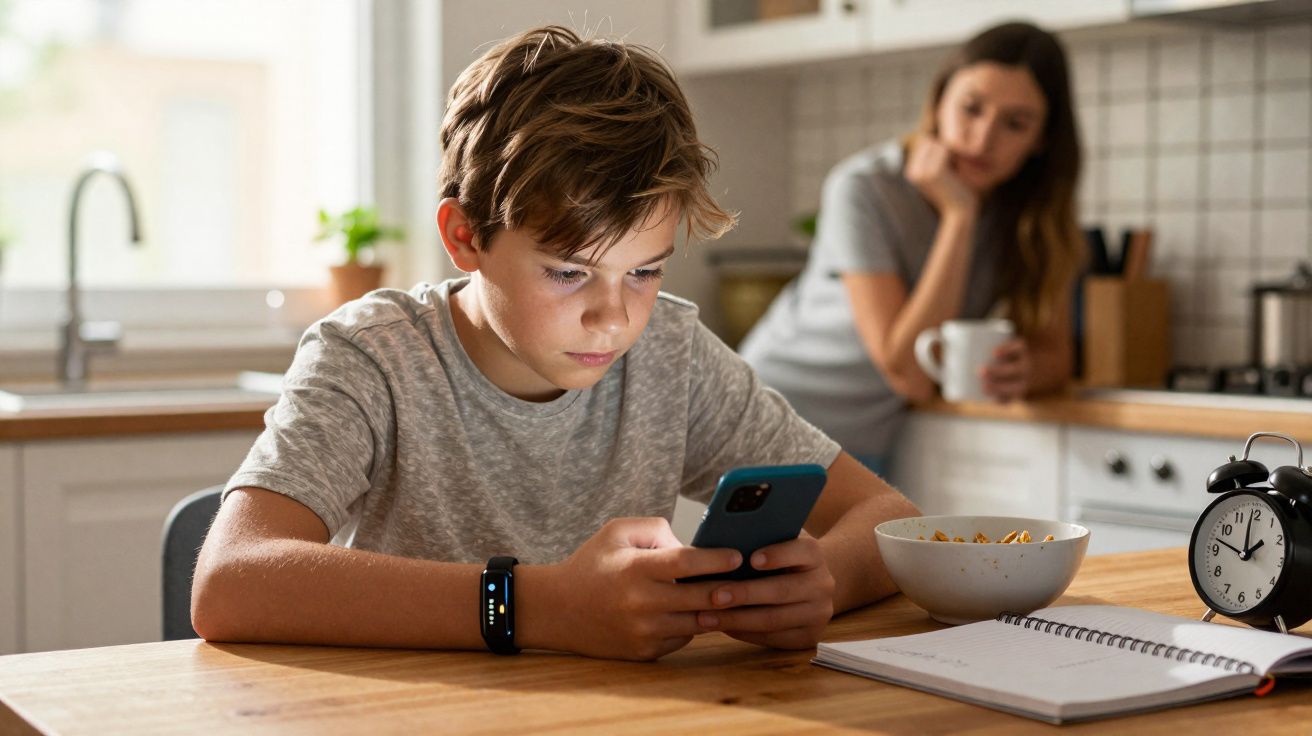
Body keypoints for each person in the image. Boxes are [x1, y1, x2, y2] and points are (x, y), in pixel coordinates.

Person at [190, 26, 919, 662]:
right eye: (569, 273)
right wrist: (540, 608)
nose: (613, 318)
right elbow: (230, 581)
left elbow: (890, 519)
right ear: (465, 237)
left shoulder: (671, 354)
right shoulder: (372, 357)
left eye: (644, 272)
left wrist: (823, 580)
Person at [739, 22, 1084, 475]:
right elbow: (910, 374)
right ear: (939, 102)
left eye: (1015, 123)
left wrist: (1025, 371)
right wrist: (959, 217)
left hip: (864, 444)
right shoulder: (863, 187)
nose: (982, 139)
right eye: (971, 109)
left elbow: (1057, 356)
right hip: (770, 419)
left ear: (1042, 140)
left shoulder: (1032, 217)